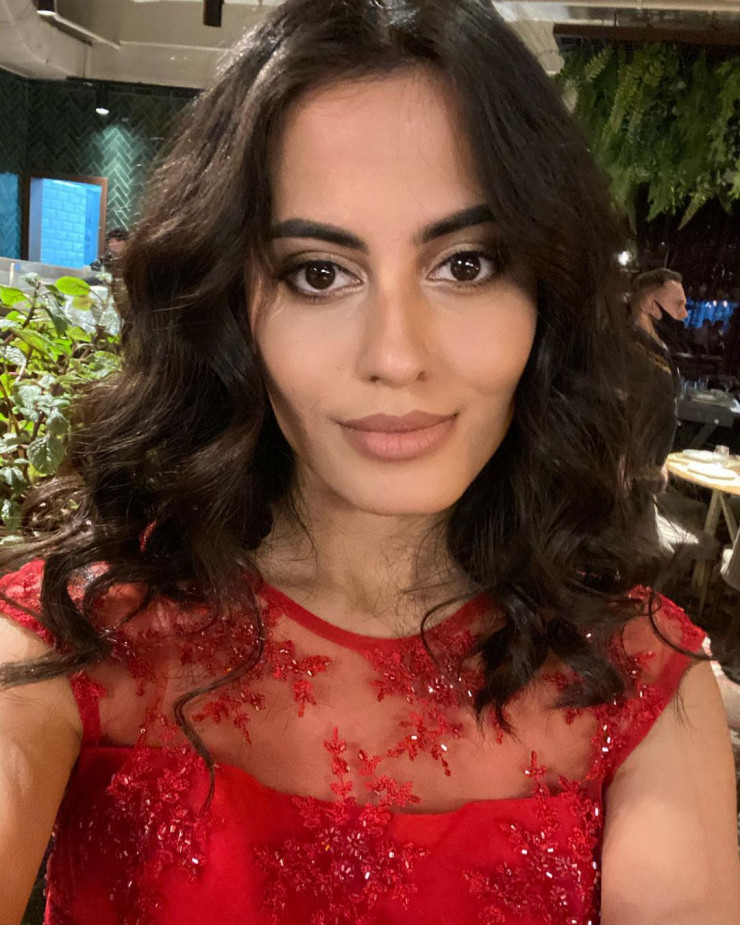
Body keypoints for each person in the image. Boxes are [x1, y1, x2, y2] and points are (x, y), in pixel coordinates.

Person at [1, 2, 738, 923]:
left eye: (465, 265)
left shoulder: (640, 683)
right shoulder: (75, 637)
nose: (396, 355)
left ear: (548, 296)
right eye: (319, 272)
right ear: (231, 304)